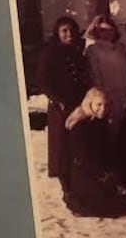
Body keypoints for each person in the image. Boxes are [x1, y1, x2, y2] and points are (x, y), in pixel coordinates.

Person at [63, 89, 126, 218]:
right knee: (112, 207)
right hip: (87, 174)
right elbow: (83, 158)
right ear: (90, 104)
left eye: (107, 105)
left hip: (101, 171)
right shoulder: (80, 126)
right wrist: (104, 175)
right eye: (99, 104)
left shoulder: (101, 122)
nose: (103, 108)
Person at [36, 16, 88, 193]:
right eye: (64, 31)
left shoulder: (77, 51)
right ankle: (66, 187)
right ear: (57, 33)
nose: (69, 34)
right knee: (62, 146)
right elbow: (43, 80)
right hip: (60, 106)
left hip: (78, 104)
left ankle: (79, 183)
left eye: (72, 30)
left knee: (77, 144)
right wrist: (57, 99)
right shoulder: (50, 53)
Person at [84, 13, 126, 134]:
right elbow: (94, 74)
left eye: (110, 30)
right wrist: (103, 97)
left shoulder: (120, 48)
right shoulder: (93, 49)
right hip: (106, 96)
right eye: (102, 30)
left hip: (124, 94)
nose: (107, 33)